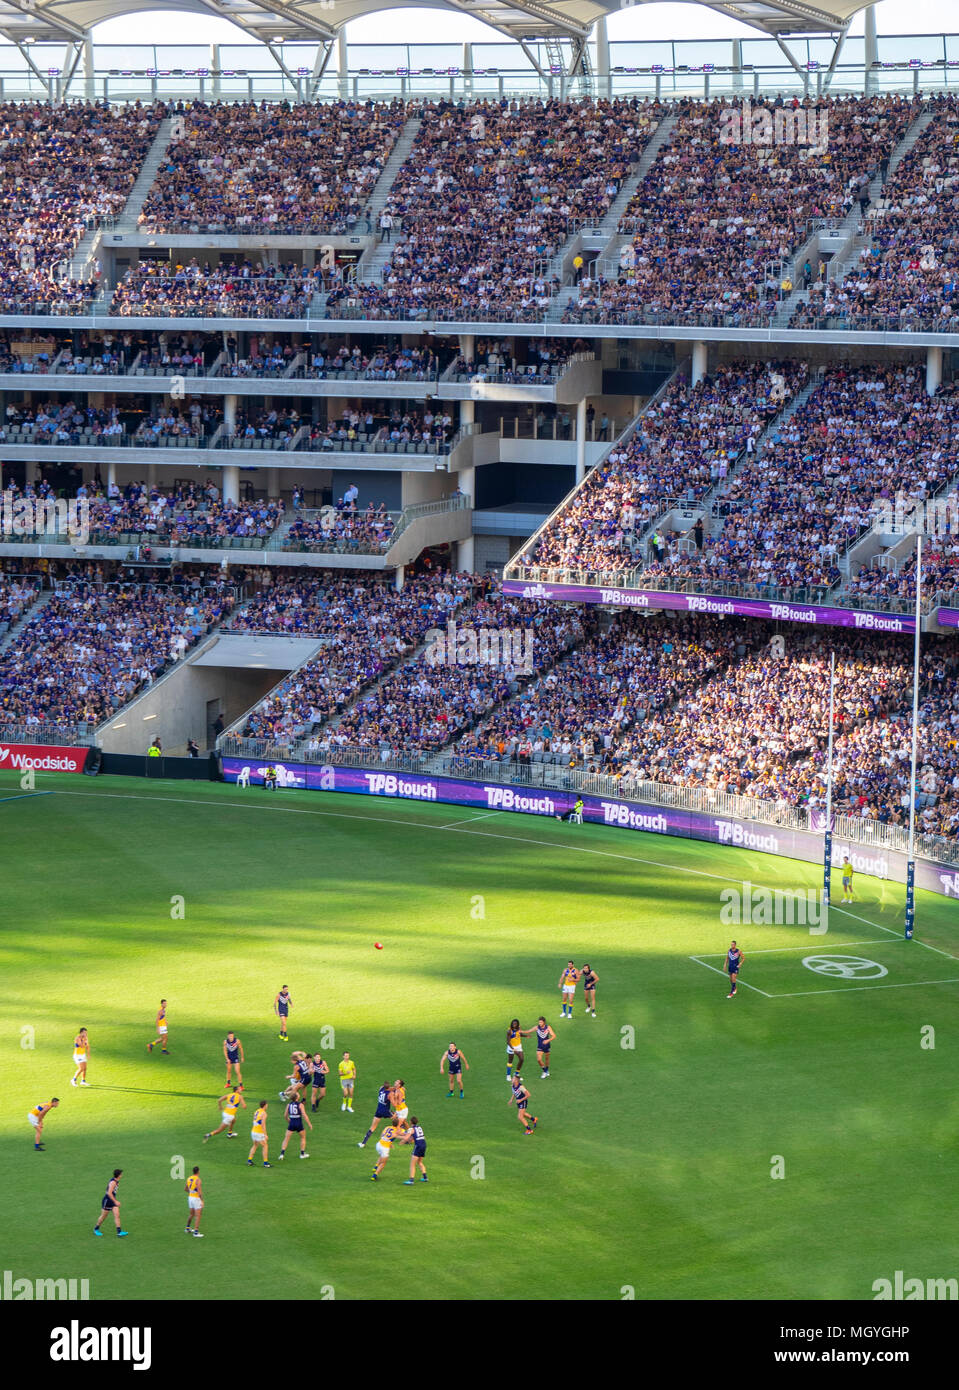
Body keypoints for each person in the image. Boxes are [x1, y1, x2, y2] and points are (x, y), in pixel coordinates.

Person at [94, 1170, 128, 1237]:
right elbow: (109, 1193)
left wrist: (114, 1201)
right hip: (107, 1201)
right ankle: (96, 1229)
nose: (122, 1175)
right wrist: (115, 1201)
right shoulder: (113, 1182)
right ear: (119, 1175)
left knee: (117, 1215)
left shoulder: (116, 1181)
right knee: (103, 1216)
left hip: (112, 1200)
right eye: (121, 1174)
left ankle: (119, 1232)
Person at [358, 1081, 393, 1147]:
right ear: (389, 1087)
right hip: (386, 1111)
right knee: (398, 1121)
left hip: (378, 1111)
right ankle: (405, 1135)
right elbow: (393, 1102)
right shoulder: (390, 1094)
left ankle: (363, 1143)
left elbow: (388, 1088)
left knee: (372, 1127)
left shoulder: (381, 1088)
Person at [278, 1095, 312, 1160]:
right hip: (299, 1123)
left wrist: (289, 1122)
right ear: (297, 1098)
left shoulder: (288, 1105)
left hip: (292, 1123)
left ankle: (282, 1154)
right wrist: (309, 1124)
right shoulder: (300, 1105)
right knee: (303, 1137)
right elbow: (304, 1115)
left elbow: (285, 1116)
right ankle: (302, 1154)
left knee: (286, 1138)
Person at [400, 1117, 428, 1184]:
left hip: (418, 1146)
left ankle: (411, 1180)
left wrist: (402, 1142)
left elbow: (407, 1137)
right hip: (424, 1144)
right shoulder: (419, 1127)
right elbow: (413, 1137)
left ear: (410, 1122)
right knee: (419, 1162)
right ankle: (425, 1177)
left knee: (412, 1164)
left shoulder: (411, 1129)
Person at [247, 1100, 272, 1167]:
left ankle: (249, 1161)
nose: (267, 1106)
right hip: (259, 1132)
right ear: (265, 1105)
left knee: (255, 1145)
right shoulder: (264, 1113)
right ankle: (266, 1163)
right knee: (265, 1146)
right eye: (267, 1104)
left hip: (253, 1131)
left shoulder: (257, 1111)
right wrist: (265, 1134)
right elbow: (263, 1124)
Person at [185, 1167, 204, 1237]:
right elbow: (199, 1192)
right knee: (198, 1215)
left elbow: (185, 1189)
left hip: (190, 1197)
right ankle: (196, 1232)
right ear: (198, 1172)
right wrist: (202, 1200)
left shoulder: (189, 1178)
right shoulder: (198, 1180)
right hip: (196, 1198)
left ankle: (187, 1228)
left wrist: (191, 1192)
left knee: (191, 1214)